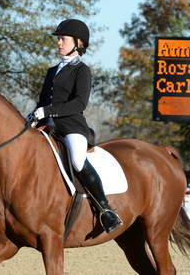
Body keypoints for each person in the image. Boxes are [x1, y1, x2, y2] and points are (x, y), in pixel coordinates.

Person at [27, 19, 123, 233]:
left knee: (78, 160)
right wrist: (34, 115)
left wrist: (48, 111)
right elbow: (43, 101)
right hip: (47, 127)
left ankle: (105, 210)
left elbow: (79, 103)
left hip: (71, 127)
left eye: (63, 39)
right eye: (59, 39)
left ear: (78, 43)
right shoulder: (52, 70)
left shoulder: (82, 71)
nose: (58, 43)